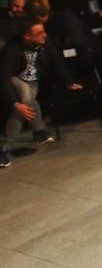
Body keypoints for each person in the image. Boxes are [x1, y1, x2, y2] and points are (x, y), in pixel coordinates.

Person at [1, 18, 80, 168]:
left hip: (34, 82)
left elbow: (56, 62)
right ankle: (38, 130)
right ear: (27, 37)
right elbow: (3, 79)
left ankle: (6, 148)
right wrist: (14, 104)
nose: (45, 35)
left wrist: (68, 81)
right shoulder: (11, 50)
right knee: (24, 96)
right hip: (15, 80)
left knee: (27, 101)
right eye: (40, 33)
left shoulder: (45, 42)